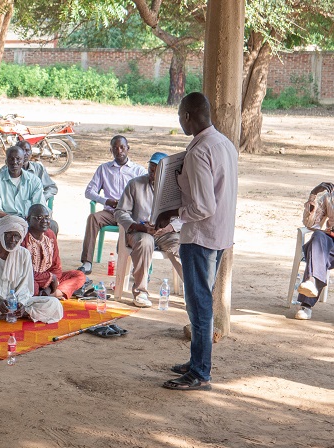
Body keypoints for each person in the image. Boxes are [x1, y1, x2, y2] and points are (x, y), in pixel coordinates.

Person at [155, 92, 238, 391]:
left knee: (199, 305)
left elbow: (203, 207)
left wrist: (171, 214)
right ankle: (196, 361)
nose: (179, 121)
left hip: (200, 236)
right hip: (218, 235)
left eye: (179, 116)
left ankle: (200, 373)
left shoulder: (200, 151)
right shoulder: (224, 143)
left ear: (188, 116)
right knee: (202, 300)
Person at [115, 152, 183, 308]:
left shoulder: (175, 189)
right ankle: (141, 292)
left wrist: (169, 228)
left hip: (166, 233)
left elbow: (185, 215)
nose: (152, 173)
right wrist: (137, 226)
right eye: (150, 169)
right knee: (145, 242)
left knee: (181, 246)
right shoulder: (135, 184)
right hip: (139, 232)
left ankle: (193, 294)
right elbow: (120, 212)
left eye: (156, 170)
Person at [78, 135, 147, 274]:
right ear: (111, 150)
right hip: (111, 212)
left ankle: (135, 268)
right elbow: (89, 192)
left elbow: (147, 192)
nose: (119, 151)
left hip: (130, 214)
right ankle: (87, 263)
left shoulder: (138, 171)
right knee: (93, 218)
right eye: (115, 148)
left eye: (122, 147)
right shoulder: (104, 169)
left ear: (128, 148)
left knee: (138, 228)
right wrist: (106, 201)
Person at [21, 204, 86, 300]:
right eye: (39, 217)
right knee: (33, 287)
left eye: (47, 217)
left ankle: (50, 295)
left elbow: (56, 267)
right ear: (28, 219)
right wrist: (50, 278)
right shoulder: (23, 237)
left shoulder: (50, 234)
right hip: (30, 278)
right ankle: (51, 294)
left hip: (50, 280)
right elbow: (23, 271)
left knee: (79, 276)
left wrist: (49, 286)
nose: (45, 221)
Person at [0, 146, 46, 241]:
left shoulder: (34, 181)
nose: (14, 162)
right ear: (6, 161)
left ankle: (44, 255)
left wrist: (28, 220)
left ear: (23, 160)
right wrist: (16, 220)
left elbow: (38, 207)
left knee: (53, 225)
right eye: (11, 159)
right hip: (6, 219)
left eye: (18, 159)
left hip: (30, 221)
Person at [295, 181, 334, 320]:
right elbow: (311, 224)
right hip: (331, 243)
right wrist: (314, 194)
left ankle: (306, 303)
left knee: (316, 255)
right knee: (317, 237)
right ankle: (310, 285)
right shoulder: (329, 196)